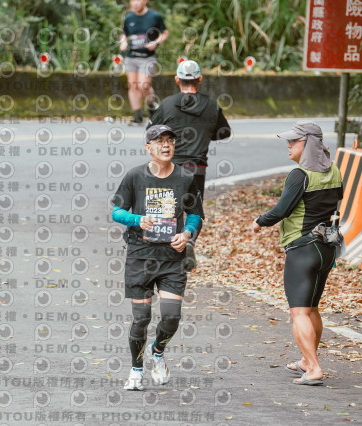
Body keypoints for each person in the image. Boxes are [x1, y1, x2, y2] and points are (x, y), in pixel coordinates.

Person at [111, 124, 202, 391]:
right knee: (141, 319)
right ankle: (136, 370)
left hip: (172, 257)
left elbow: (195, 213)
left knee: (171, 317)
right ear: (148, 147)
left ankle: (157, 350)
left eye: (170, 140)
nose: (166, 145)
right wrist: (138, 220)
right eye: (159, 141)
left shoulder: (185, 177)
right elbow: (117, 211)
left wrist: (187, 233)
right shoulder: (135, 176)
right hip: (140, 256)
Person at [252, 120, 343, 386]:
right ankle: (306, 359)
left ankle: (313, 368)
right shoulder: (334, 170)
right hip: (326, 248)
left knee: (298, 312)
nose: (288, 145)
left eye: (293, 141)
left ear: (308, 143)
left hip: (303, 249)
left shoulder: (299, 175)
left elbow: (281, 210)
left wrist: (259, 221)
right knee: (312, 308)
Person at [148, 59, 231, 270]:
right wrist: (205, 133)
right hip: (197, 167)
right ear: (199, 79)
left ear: (177, 80)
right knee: (194, 209)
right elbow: (225, 132)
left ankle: (165, 254)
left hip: (170, 166)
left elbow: (151, 131)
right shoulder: (211, 105)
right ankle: (189, 241)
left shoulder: (167, 104)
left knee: (165, 208)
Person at [119, 0, 168, 125]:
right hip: (131, 57)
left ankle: (152, 107)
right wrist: (123, 42)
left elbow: (164, 33)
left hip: (147, 57)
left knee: (143, 85)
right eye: (132, 0)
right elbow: (124, 33)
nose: (135, 3)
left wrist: (155, 42)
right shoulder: (129, 17)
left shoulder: (155, 16)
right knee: (133, 85)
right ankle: (138, 116)